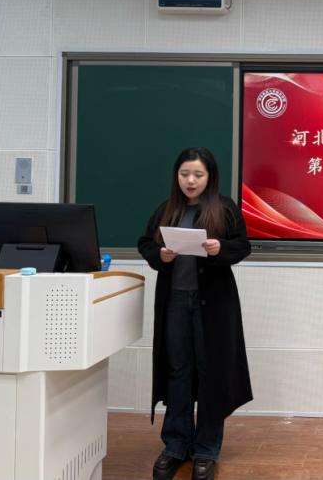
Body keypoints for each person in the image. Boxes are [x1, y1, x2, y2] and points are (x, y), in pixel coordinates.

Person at [137, 147, 252, 480]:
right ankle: (176, 445)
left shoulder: (224, 208)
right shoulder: (167, 209)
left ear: (209, 177)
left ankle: (206, 449)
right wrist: (160, 255)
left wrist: (220, 249)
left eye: (198, 175)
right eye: (185, 174)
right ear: (176, 176)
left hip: (212, 306)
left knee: (210, 372)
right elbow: (145, 243)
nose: (190, 180)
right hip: (174, 302)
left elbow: (242, 246)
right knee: (178, 371)